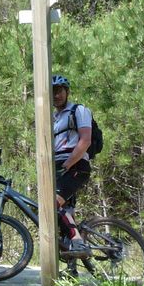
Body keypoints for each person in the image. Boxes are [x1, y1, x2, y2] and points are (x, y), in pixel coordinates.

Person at [52, 74, 93, 266]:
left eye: (59, 90)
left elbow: (85, 140)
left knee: (52, 204)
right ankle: (72, 268)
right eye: (52, 92)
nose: (56, 95)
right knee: (65, 214)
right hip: (58, 167)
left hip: (75, 165)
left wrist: (68, 164)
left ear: (66, 91)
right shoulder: (52, 118)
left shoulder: (79, 110)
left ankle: (77, 240)